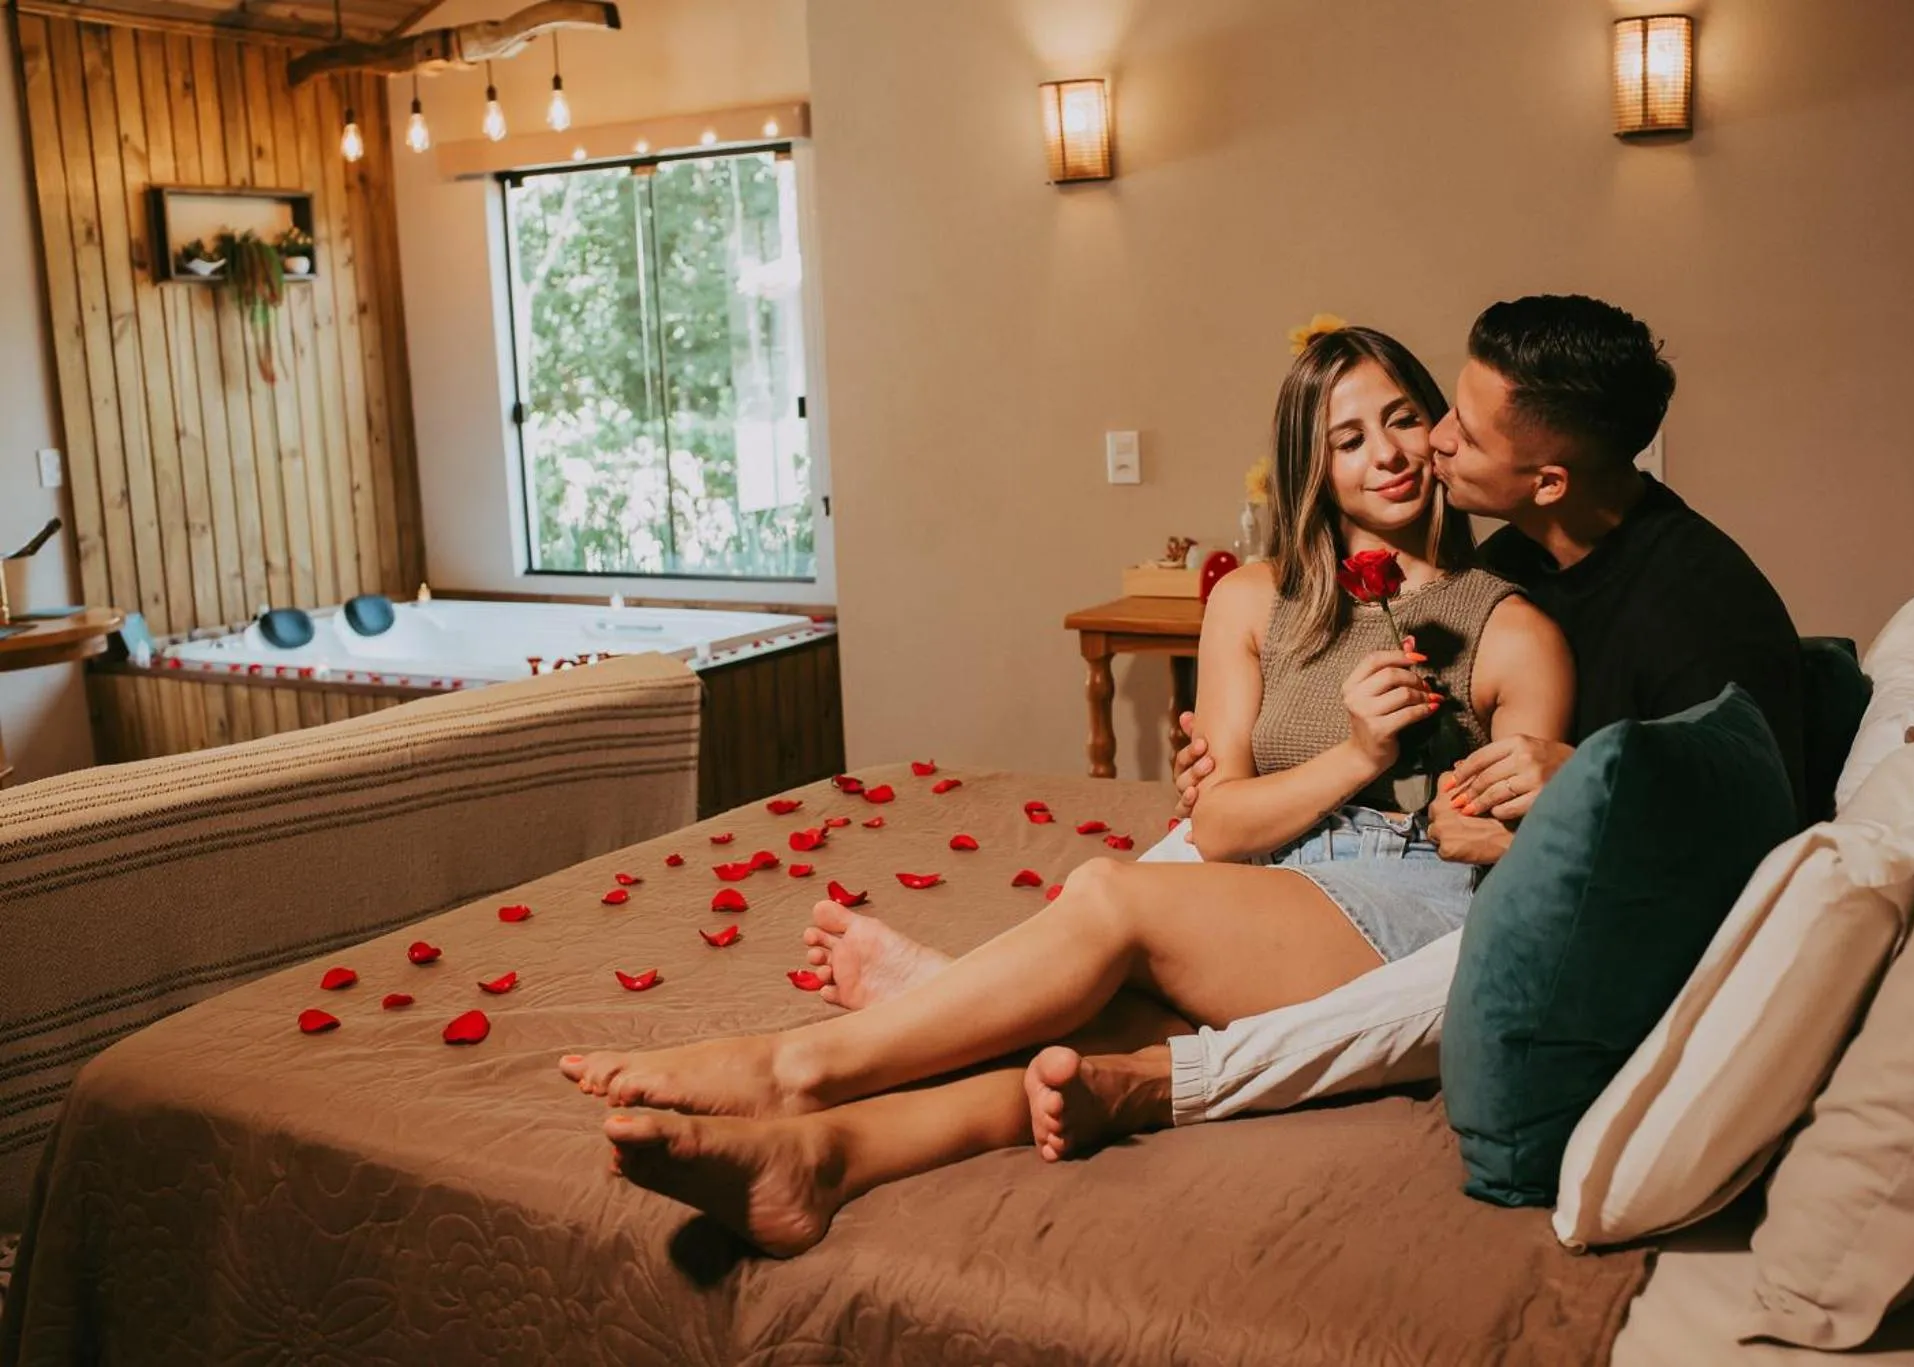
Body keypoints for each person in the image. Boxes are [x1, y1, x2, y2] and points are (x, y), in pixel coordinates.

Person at [558, 325, 1575, 1254]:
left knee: (1110, 895)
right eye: (1348, 437)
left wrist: (1393, 775)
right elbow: (1215, 824)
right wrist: (1352, 753)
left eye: (1402, 419)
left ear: (1436, 429)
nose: (1386, 454)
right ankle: (822, 1161)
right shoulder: (1252, 599)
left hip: (1405, 902)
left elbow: (1511, 855)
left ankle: (799, 1069)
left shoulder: (1509, 628)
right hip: (1263, 883)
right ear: (1313, 465)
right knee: (1086, 1056)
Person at [1055, 293, 1809, 1145]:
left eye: (1461, 431)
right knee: (1146, 893)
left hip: (1583, 928)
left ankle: (1174, 1079)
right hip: (1444, 866)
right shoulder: (1516, 553)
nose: (1436, 440)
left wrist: (1584, 796)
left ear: (1547, 479)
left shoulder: (1702, 608)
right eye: (1445, 407)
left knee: (1149, 919)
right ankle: (1023, 1025)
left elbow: (1756, 843)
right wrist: (1236, 770)